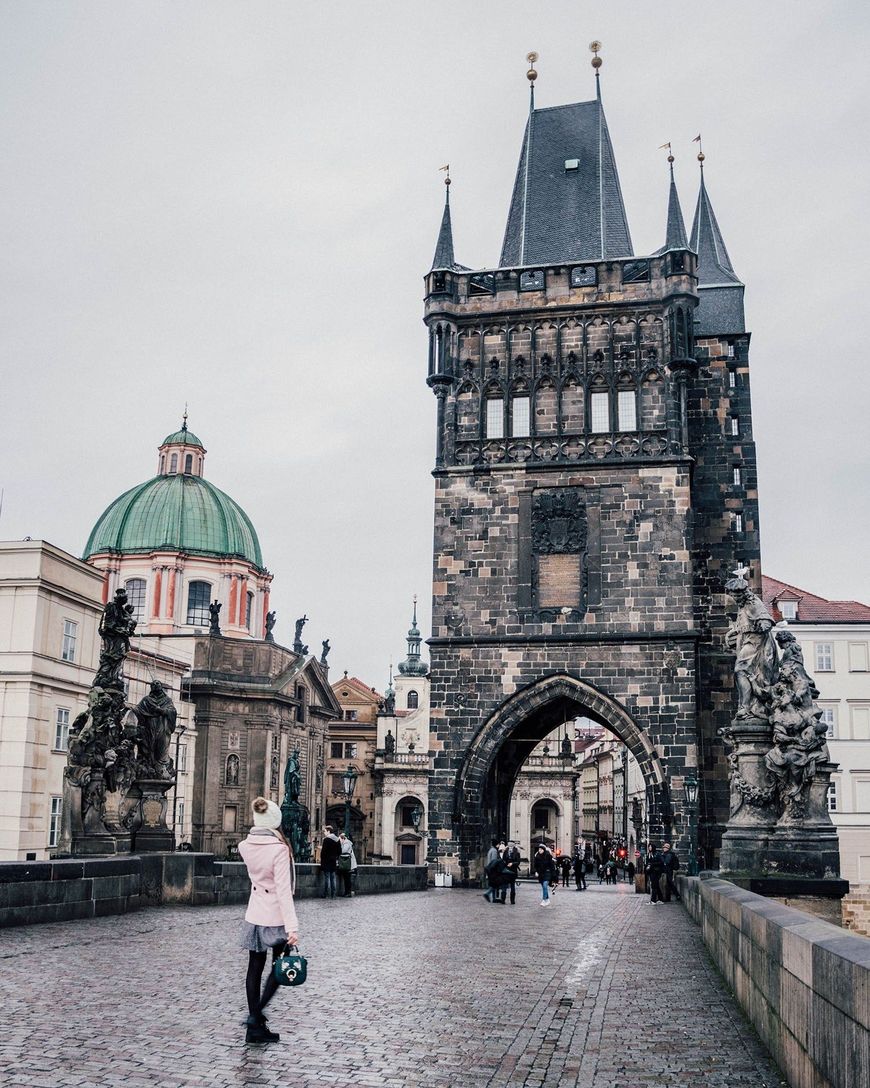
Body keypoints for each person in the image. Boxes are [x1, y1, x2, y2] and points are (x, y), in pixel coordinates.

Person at [237, 797, 299, 1045]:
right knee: (279, 967)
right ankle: (256, 1015)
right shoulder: (279, 849)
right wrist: (292, 927)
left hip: (254, 913)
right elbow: (283, 891)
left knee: (254, 967)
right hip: (274, 916)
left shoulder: (245, 846)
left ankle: (255, 1029)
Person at [319, 825, 341, 898]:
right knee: (333, 878)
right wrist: (335, 857)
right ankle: (333, 894)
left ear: (328, 831)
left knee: (327, 878)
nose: (324, 833)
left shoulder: (326, 840)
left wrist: (322, 860)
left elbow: (323, 852)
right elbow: (339, 851)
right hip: (333, 861)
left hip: (326, 861)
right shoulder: (337, 840)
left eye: (325, 831)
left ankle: (325, 894)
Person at [483, 838, 504, 904]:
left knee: (493, 884)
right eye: (498, 844)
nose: (499, 846)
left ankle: (494, 898)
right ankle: (487, 893)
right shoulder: (494, 851)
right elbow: (494, 861)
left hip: (491, 870)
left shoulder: (491, 850)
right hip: (493, 870)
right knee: (495, 884)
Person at [500, 840, 521, 904]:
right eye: (509, 845)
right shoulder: (505, 851)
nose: (510, 847)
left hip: (513, 871)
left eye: (511, 845)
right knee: (504, 885)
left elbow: (518, 862)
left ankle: (512, 900)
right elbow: (503, 860)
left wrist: (512, 863)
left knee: (512, 886)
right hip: (506, 871)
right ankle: (503, 899)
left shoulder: (517, 852)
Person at [337, 831, 358, 897]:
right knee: (347, 879)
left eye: (339, 839)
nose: (339, 841)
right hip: (348, 864)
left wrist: (339, 846)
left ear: (342, 838)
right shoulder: (346, 843)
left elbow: (343, 851)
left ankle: (348, 893)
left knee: (347, 879)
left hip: (349, 865)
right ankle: (347, 892)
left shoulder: (346, 843)